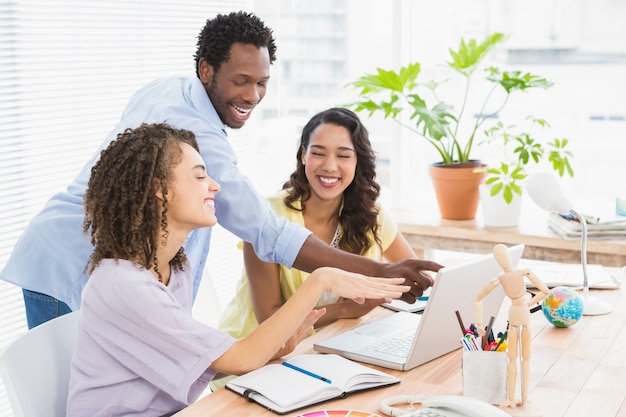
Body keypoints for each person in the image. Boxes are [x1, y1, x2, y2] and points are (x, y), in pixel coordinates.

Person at [1, 10, 440, 330]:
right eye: (240, 81)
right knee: (69, 396)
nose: (252, 95)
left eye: (262, 82)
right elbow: (266, 232)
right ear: (206, 69)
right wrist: (373, 271)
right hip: (69, 258)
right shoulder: (196, 135)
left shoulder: (173, 89)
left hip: (94, 259)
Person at [66, 123, 409, 417]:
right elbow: (238, 358)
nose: (214, 185)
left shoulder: (173, 269)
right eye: (199, 176)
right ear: (160, 189)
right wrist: (321, 279)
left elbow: (204, 357)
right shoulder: (123, 284)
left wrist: (283, 343)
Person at [219, 107, 425, 338]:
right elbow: (269, 317)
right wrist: (346, 309)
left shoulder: (372, 216)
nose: (329, 166)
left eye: (343, 155)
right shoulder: (265, 216)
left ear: (358, 161)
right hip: (257, 353)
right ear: (303, 155)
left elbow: (413, 278)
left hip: (333, 344)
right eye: (318, 153)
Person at [475, 244, 550, 409]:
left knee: (515, 358)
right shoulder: (522, 272)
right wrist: (527, 304)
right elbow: (545, 292)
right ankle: (519, 397)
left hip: (516, 313)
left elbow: (478, 298)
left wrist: (480, 323)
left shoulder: (501, 278)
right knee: (521, 358)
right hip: (520, 313)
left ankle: (516, 397)